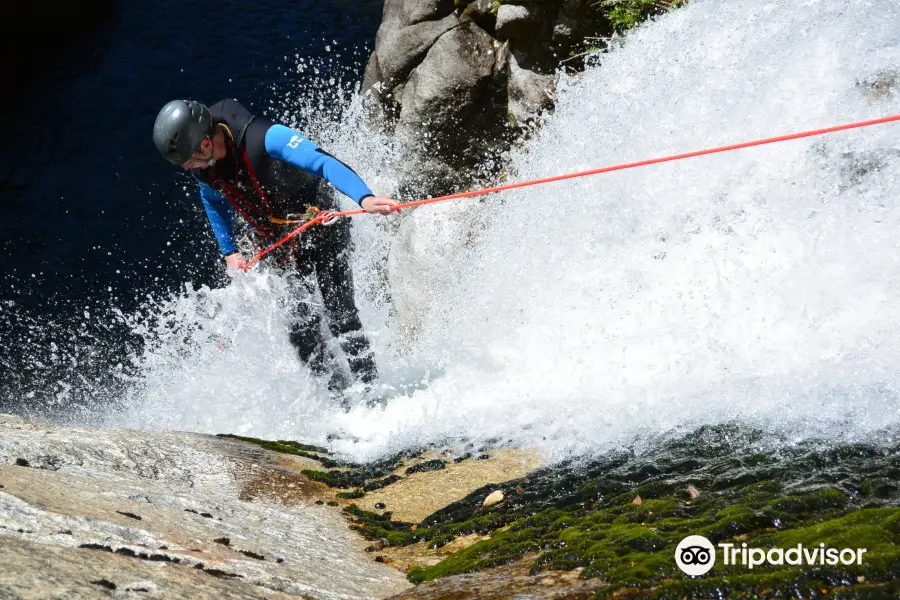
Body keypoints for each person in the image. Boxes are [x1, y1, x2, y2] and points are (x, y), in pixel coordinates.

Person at [152, 98, 397, 404]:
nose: (187, 168)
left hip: (321, 225)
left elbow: (322, 161)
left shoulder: (264, 138)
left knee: (340, 313)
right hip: (277, 243)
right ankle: (344, 403)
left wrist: (365, 198)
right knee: (300, 329)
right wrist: (229, 250)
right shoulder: (203, 166)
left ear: (204, 144)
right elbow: (212, 199)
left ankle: (375, 399)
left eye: (188, 161)